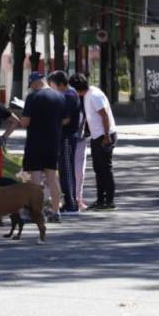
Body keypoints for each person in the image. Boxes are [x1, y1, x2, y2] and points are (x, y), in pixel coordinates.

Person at [20, 72, 67, 223]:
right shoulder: (60, 96)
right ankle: (56, 211)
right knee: (53, 178)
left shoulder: (33, 97)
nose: (31, 88)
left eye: (31, 85)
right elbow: (65, 119)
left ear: (35, 83)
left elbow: (25, 122)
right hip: (53, 142)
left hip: (35, 143)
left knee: (36, 180)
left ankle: (38, 213)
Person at [68, 74, 117, 211]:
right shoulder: (88, 94)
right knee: (98, 168)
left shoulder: (94, 95)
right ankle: (100, 200)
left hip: (105, 135)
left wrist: (107, 136)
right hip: (97, 136)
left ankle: (110, 201)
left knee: (105, 168)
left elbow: (104, 116)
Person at [48, 71, 81, 214]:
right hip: (64, 137)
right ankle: (68, 202)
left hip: (67, 137)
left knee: (67, 171)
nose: (51, 89)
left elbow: (66, 119)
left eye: (53, 86)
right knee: (63, 170)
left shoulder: (69, 96)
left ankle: (71, 204)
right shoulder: (68, 94)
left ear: (61, 84)